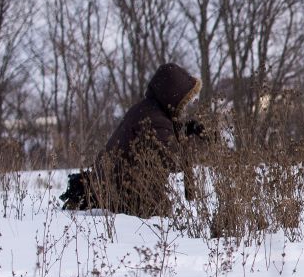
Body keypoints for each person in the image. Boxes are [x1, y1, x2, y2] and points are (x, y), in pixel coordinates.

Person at [78, 62, 208, 218]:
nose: (186, 106)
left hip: (107, 189)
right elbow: (173, 160)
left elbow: (161, 138)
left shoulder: (146, 110)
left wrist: (184, 129)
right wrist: (195, 145)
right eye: (185, 100)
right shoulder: (155, 120)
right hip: (125, 197)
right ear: (173, 97)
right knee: (161, 216)